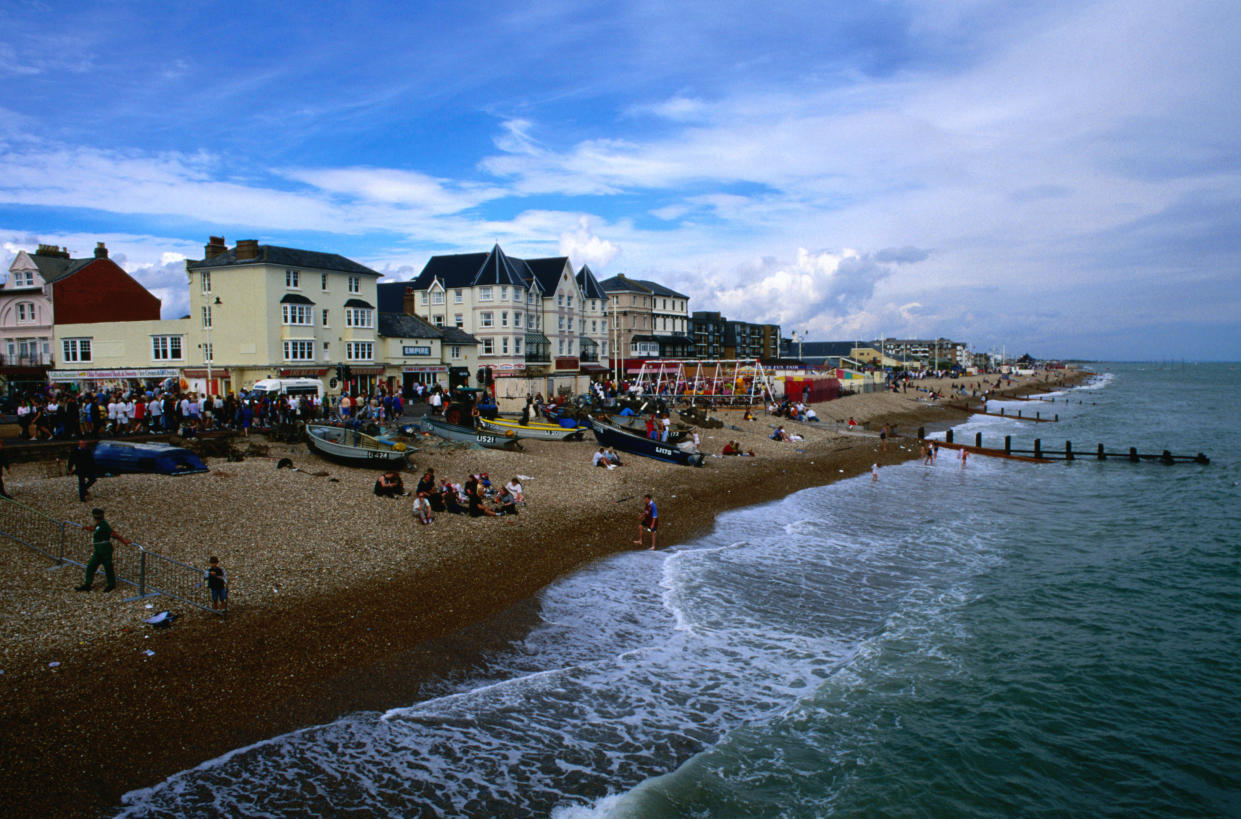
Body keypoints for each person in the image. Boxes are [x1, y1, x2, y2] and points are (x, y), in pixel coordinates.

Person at [76, 507, 129, 592]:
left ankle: (111, 584)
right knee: (91, 566)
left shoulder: (104, 524)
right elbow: (95, 529)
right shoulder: (99, 524)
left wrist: (123, 541)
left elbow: (113, 533)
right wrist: (87, 528)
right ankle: (87, 584)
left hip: (104, 549)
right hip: (98, 550)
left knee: (108, 567)